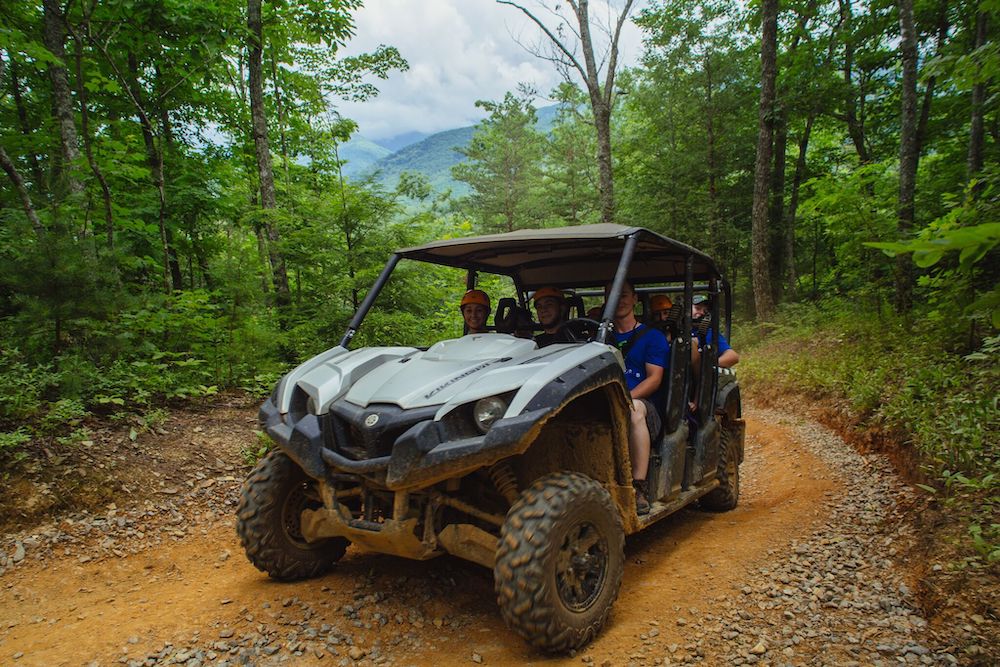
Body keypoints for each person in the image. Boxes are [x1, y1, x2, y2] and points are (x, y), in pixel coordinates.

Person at [606, 280, 669, 515]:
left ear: (634, 299)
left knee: (633, 412)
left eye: (623, 295)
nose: (619, 301)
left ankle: (639, 487)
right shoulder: (600, 339)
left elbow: (654, 379)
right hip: (604, 403)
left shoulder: (652, 337)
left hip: (644, 407)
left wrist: (624, 399)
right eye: (612, 296)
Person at [691, 295, 739, 368]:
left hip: (695, 374)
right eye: (698, 308)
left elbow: (733, 356)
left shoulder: (708, 333)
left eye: (705, 311)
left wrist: (709, 364)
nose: (701, 313)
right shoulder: (675, 331)